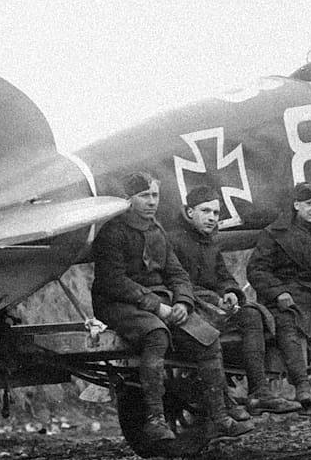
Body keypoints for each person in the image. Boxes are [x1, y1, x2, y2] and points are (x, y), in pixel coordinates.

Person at [90, 171, 254, 443]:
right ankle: (155, 420)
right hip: (117, 303)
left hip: (159, 300)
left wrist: (182, 301)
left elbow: (177, 274)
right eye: (144, 196)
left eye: (155, 195)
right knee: (156, 333)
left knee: (208, 338)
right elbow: (114, 280)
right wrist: (158, 307)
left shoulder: (156, 230)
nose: (152, 201)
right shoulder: (113, 233)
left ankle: (221, 416)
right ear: (128, 199)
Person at [168, 185, 301, 415]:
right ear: (190, 213)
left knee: (251, 314)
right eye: (205, 211)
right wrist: (213, 299)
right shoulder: (174, 241)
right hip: (188, 305)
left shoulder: (209, 241)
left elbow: (222, 275)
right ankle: (223, 401)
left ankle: (259, 391)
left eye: (216, 213)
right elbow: (176, 281)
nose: (212, 218)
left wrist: (229, 291)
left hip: (211, 305)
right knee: (210, 329)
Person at [247, 182, 311, 406]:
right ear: (296, 205)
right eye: (309, 203)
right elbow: (256, 270)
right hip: (286, 295)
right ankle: (302, 384)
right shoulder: (275, 233)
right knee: (287, 322)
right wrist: (278, 293)